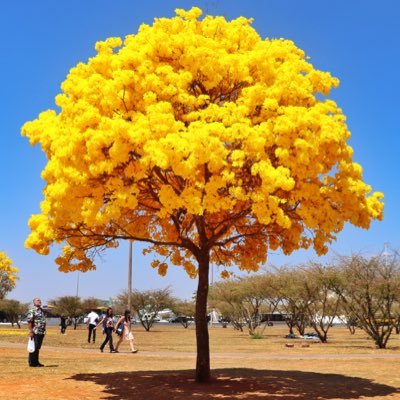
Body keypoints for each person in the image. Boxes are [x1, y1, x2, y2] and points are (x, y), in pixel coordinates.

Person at [27, 297, 46, 367]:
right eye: (37, 300)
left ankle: (36, 362)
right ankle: (32, 363)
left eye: (40, 300)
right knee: (33, 347)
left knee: (37, 347)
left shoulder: (42, 310)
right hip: (35, 331)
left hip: (41, 332)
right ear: (34, 302)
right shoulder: (32, 310)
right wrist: (31, 331)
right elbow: (30, 322)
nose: (39, 301)